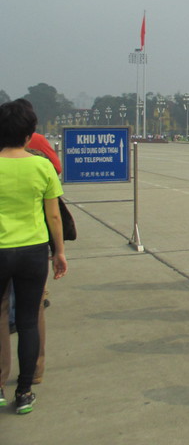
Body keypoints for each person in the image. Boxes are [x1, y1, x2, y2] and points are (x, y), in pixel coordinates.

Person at [0, 100, 68, 414]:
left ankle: (0, 385)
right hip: (33, 251)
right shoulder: (41, 165)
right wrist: (59, 253)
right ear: (30, 135)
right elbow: (54, 216)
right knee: (29, 320)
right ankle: (25, 390)